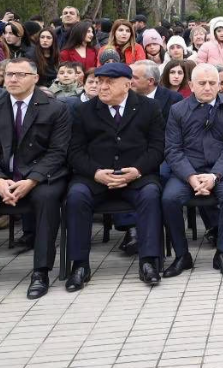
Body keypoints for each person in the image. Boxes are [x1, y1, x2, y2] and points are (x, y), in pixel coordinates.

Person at [0, 57, 72, 301]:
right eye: (9, 74)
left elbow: (58, 152)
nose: (13, 79)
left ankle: (41, 272)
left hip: (41, 178)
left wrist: (32, 180)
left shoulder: (55, 108)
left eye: (20, 74)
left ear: (35, 78)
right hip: (1, 177)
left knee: (47, 200)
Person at [63, 62, 167, 291]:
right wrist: (96, 173)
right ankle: (79, 265)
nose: (102, 87)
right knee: (76, 196)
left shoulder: (149, 108)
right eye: (100, 82)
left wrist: (137, 171)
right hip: (95, 177)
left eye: (109, 82)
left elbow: (157, 148)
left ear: (127, 85)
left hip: (136, 177)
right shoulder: (83, 110)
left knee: (151, 194)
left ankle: (148, 261)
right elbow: (75, 152)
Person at [161, 64, 223, 277]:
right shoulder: (177, 110)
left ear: (220, 85)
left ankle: (222, 252)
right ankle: (182, 255)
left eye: (212, 83)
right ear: (191, 85)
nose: (207, 87)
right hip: (188, 172)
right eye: (202, 83)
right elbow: (173, 149)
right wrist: (190, 177)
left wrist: (215, 176)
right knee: (169, 198)